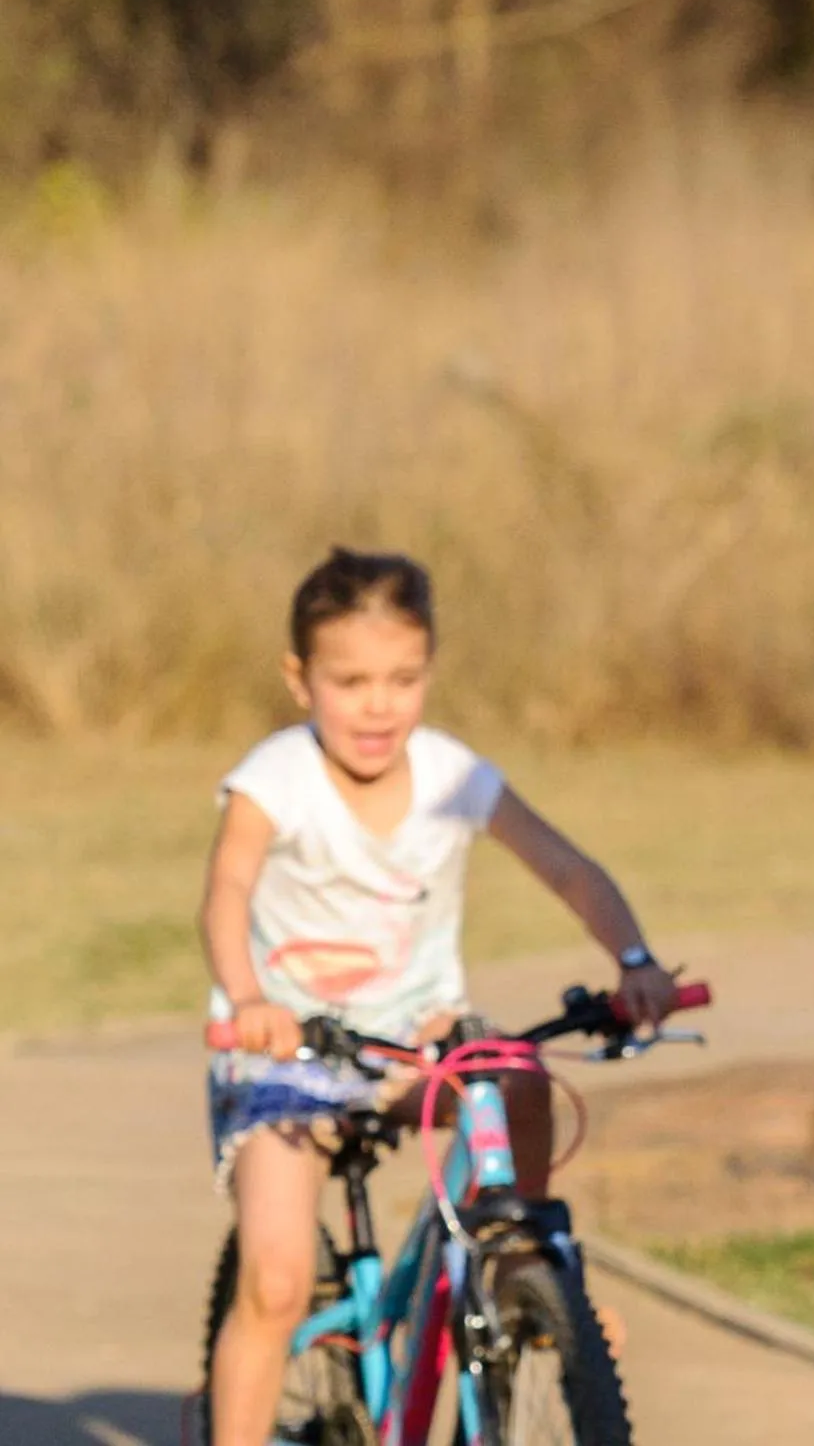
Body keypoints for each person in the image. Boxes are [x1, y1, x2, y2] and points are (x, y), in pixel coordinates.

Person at [199, 547, 677, 1446]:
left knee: (517, 1074)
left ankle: (524, 1269)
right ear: (300, 681)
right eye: (350, 681)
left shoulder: (456, 777)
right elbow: (226, 890)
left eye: (403, 678)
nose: (378, 704)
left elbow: (567, 867)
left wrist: (636, 958)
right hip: (291, 1055)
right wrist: (248, 998)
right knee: (275, 1278)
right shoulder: (276, 779)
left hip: (419, 1044)